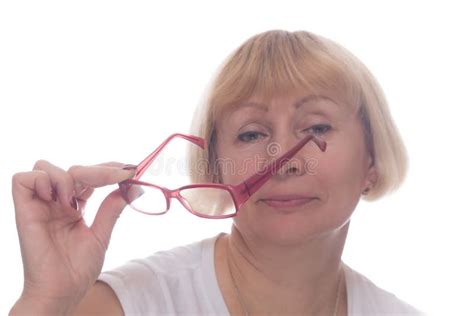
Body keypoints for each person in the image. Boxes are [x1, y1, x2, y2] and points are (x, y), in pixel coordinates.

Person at [10, 30, 423, 315]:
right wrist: (44, 302)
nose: (285, 160)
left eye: (316, 127)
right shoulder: (127, 305)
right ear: (214, 169)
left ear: (371, 161)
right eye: (251, 133)